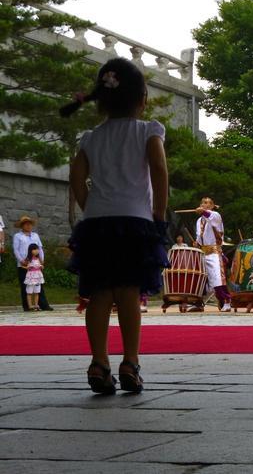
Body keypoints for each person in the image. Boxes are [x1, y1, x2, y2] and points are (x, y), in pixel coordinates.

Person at [64, 57, 169, 395]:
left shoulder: (90, 138)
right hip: (135, 220)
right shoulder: (148, 130)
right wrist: (159, 213)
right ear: (142, 100)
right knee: (128, 292)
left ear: (102, 101)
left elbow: (77, 179)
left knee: (98, 293)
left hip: (97, 223)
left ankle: (99, 362)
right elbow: (159, 171)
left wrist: (89, 207)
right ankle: (130, 362)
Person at [193, 197, 232, 312]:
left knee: (217, 279)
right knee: (200, 279)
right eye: (204, 203)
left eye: (209, 203)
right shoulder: (199, 221)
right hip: (203, 252)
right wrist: (197, 243)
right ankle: (198, 303)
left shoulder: (215, 215)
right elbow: (199, 236)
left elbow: (209, 216)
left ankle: (227, 301)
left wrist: (203, 212)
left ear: (213, 206)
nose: (206, 205)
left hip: (214, 252)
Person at [13, 216, 52, 311]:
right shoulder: (18, 236)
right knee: (25, 285)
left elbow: (40, 248)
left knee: (38, 285)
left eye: (30, 224)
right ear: (22, 226)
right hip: (24, 265)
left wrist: (42, 260)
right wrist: (22, 260)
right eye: (26, 224)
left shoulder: (35, 236)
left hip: (36, 264)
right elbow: (16, 250)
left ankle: (42, 305)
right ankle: (27, 306)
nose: (28, 226)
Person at [22, 243, 44, 311]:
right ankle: (30, 305)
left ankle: (36, 305)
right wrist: (28, 267)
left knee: (37, 291)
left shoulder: (39, 258)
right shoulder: (28, 259)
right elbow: (22, 266)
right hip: (31, 277)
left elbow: (41, 265)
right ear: (30, 250)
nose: (36, 251)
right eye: (34, 249)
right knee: (29, 292)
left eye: (37, 249)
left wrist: (42, 267)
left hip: (38, 276)